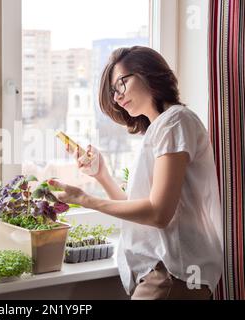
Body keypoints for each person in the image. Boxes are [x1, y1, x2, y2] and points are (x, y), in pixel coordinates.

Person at [48, 46, 223, 300]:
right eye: (113, 92)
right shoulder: (161, 128)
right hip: (167, 274)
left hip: (172, 273)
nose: (117, 98)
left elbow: (158, 213)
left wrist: (86, 200)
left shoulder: (175, 122)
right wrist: (102, 175)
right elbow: (140, 213)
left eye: (121, 84)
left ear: (148, 72)